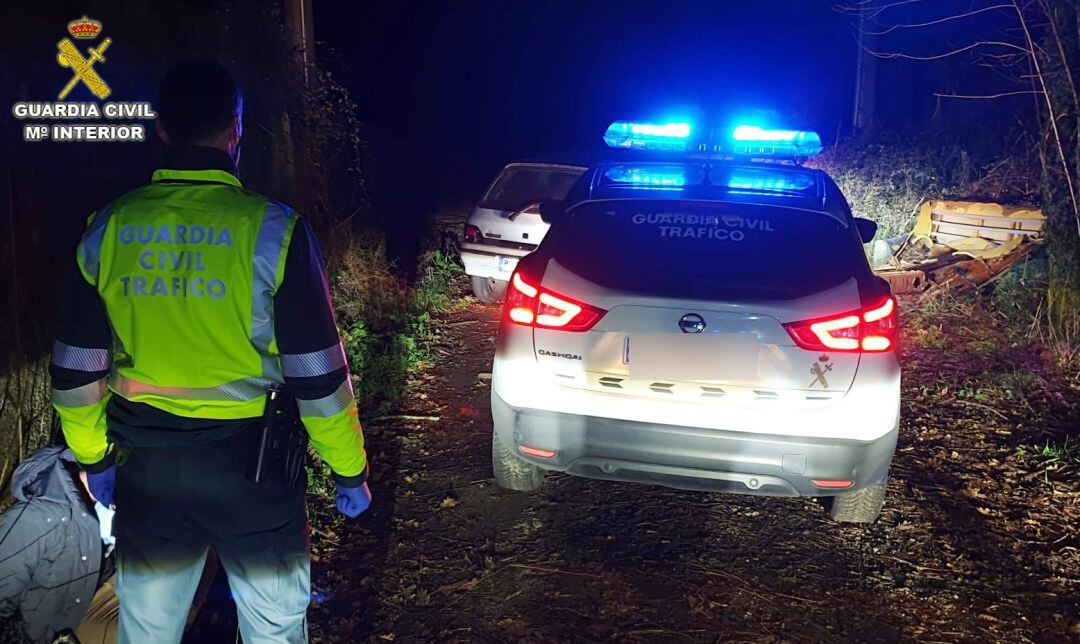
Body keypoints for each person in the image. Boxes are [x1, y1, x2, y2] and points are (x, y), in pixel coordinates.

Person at [49, 58, 371, 643]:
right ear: (236, 129)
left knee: (146, 630)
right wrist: (349, 469)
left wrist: (95, 461)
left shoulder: (107, 228)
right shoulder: (276, 232)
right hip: (257, 474)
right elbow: (318, 379)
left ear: (162, 130)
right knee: (274, 630)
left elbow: (74, 375)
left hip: (150, 471)